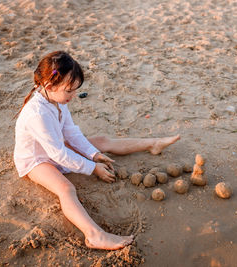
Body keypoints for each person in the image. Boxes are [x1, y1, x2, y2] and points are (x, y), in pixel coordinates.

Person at [13, 51, 180, 250]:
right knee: (66, 189)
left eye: (76, 90)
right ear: (49, 86)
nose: (74, 96)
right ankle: (94, 235)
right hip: (37, 160)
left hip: (56, 145)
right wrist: (93, 168)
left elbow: (71, 132)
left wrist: (94, 154)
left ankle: (153, 144)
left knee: (101, 141)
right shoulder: (37, 113)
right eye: (70, 91)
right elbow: (59, 155)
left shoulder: (56, 99)